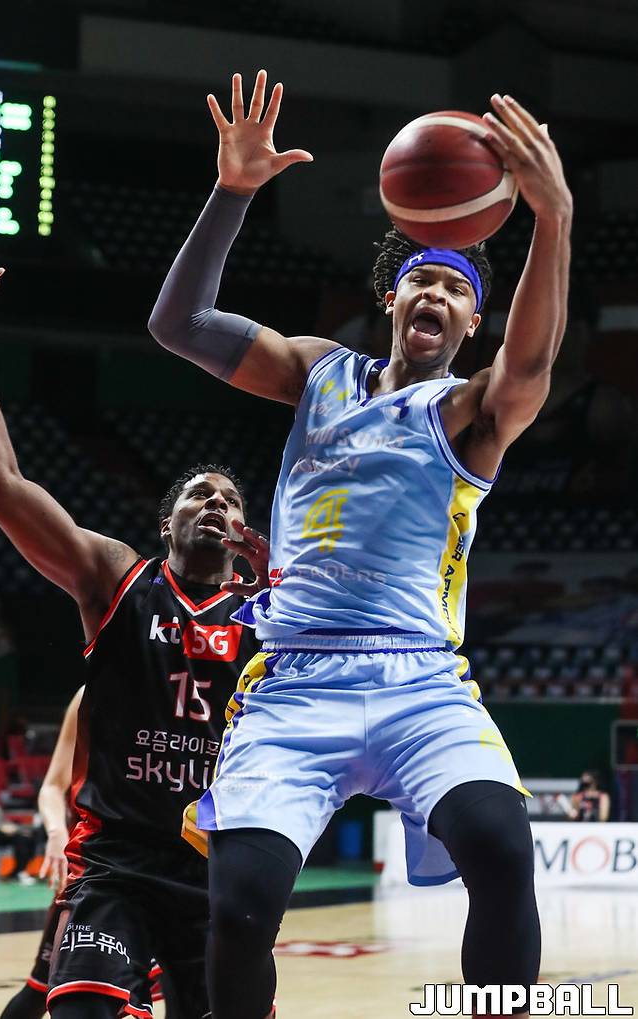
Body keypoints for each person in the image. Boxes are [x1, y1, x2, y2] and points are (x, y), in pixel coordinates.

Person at [150, 69, 573, 1019]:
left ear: (472, 322)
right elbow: (178, 324)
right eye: (422, 277)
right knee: (239, 908)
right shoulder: (317, 374)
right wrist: (232, 193)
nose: (435, 294)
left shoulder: (471, 413)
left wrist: (554, 217)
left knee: (504, 848)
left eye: (455, 288)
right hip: (295, 680)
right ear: (393, 296)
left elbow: (534, 362)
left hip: (420, 677)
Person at [0, 266, 269, 1019]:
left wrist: (287, 599)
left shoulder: (274, 617)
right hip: (115, 863)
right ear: (166, 523)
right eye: (199, 494)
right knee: (77, 1010)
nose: (216, 503)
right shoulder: (116, 577)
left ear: (246, 534)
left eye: (231, 499)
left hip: (219, 865)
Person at [0, 687, 169, 1019]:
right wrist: (56, 833)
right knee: (43, 989)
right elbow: (51, 786)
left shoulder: (201, 685)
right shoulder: (93, 693)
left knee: (180, 990)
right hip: (95, 868)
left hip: (170, 869)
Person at [0, 764, 37, 884]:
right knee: (20, 838)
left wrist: (12, 827)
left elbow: (0, 817)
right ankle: (19, 872)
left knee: (27, 836)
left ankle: (19, 871)